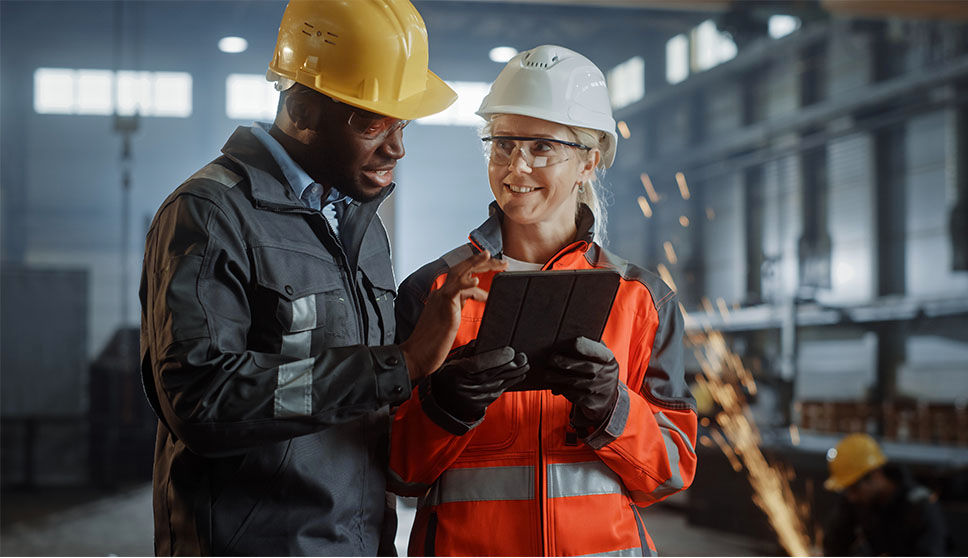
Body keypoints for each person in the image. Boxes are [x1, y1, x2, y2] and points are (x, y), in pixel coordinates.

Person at [138, 1, 505, 555]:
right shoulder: (211, 216)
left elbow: (357, 397)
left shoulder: (361, 225)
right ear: (304, 109)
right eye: (372, 122)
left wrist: (439, 383)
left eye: (401, 122)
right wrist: (400, 363)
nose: (397, 147)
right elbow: (203, 401)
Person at [388, 45, 698, 556]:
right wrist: (444, 406)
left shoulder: (643, 300)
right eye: (503, 143)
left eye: (543, 146)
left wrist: (611, 407)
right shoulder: (436, 292)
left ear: (589, 162)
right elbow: (395, 470)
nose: (517, 165)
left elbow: (668, 475)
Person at [822, 433, 947, 556]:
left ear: (876, 474)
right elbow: (834, 546)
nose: (851, 496)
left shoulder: (919, 508)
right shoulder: (857, 501)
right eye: (846, 490)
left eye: (854, 488)